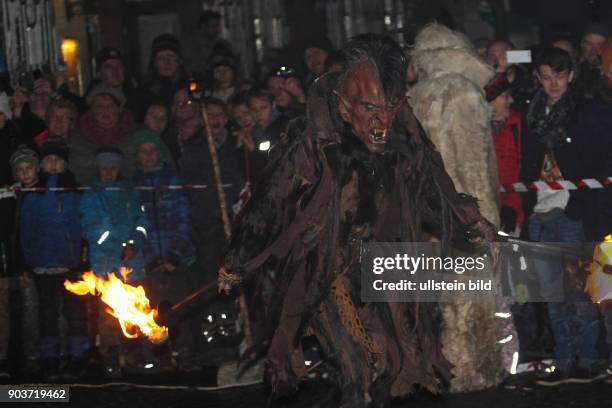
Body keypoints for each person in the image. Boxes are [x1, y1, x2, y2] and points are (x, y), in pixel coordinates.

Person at [217, 34, 497, 407]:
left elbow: (432, 182)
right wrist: (240, 258)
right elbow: (271, 199)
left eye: (390, 109)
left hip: (385, 266)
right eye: (370, 110)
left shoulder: (402, 132)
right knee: (355, 368)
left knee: (394, 363)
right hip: (330, 268)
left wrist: (467, 217)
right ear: (346, 107)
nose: (382, 122)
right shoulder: (315, 140)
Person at [408, 23, 512, 392]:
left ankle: (436, 367)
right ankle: (469, 370)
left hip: (425, 214)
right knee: (469, 293)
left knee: (432, 293)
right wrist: (485, 217)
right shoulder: (463, 93)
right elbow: (473, 162)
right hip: (464, 211)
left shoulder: (415, 95)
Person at [522, 46, 602, 385]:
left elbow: (598, 162)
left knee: (579, 294)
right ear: (538, 78)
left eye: (559, 76)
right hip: (540, 213)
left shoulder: (586, 113)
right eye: (546, 76)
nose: (553, 84)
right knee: (552, 295)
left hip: (572, 213)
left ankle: (588, 360)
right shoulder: (532, 113)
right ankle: (564, 358)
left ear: (570, 76)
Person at [19, 142, 89, 379]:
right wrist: (28, 261)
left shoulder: (75, 193)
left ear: (65, 164)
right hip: (43, 264)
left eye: (57, 160)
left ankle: (78, 356)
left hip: (70, 263)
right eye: (48, 160)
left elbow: (84, 226)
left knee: (75, 312)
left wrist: (82, 259)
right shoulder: (33, 194)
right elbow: (26, 229)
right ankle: (50, 358)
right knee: (47, 314)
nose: (52, 164)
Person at [485, 73, 524, 235]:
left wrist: (511, 206)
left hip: (512, 210)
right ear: (489, 100)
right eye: (505, 96)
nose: (511, 100)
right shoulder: (474, 128)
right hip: (483, 210)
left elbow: (518, 169)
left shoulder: (518, 124)